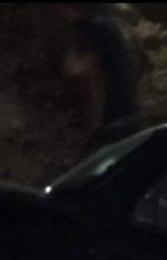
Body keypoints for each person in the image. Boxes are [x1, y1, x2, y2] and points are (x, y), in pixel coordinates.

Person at [59, 4, 138, 150]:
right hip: (126, 108)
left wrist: (92, 125)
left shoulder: (88, 29)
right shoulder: (105, 24)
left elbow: (89, 74)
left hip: (110, 114)